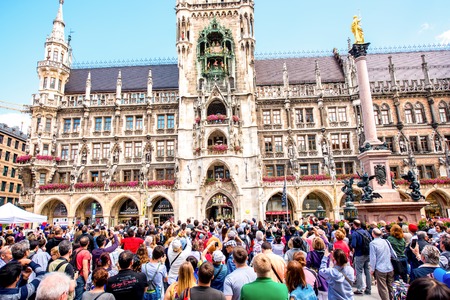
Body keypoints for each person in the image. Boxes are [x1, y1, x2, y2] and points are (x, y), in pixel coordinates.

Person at [369, 228, 394, 300]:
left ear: (373, 234)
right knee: (390, 286)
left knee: (383, 288)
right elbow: (393, 253)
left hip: (380, 268)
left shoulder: (373, 243)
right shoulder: (386, 241)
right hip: (389, 267)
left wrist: (372, 269)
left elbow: (373, 258)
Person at [350, 219, 372, 295]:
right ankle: (369, 288)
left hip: (359, 254)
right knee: (367, 271)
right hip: (367, 253)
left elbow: (353, 245)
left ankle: (359, 289)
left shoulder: (355, 234)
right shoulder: (366, 232)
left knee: (359, 271)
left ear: (354, 225)